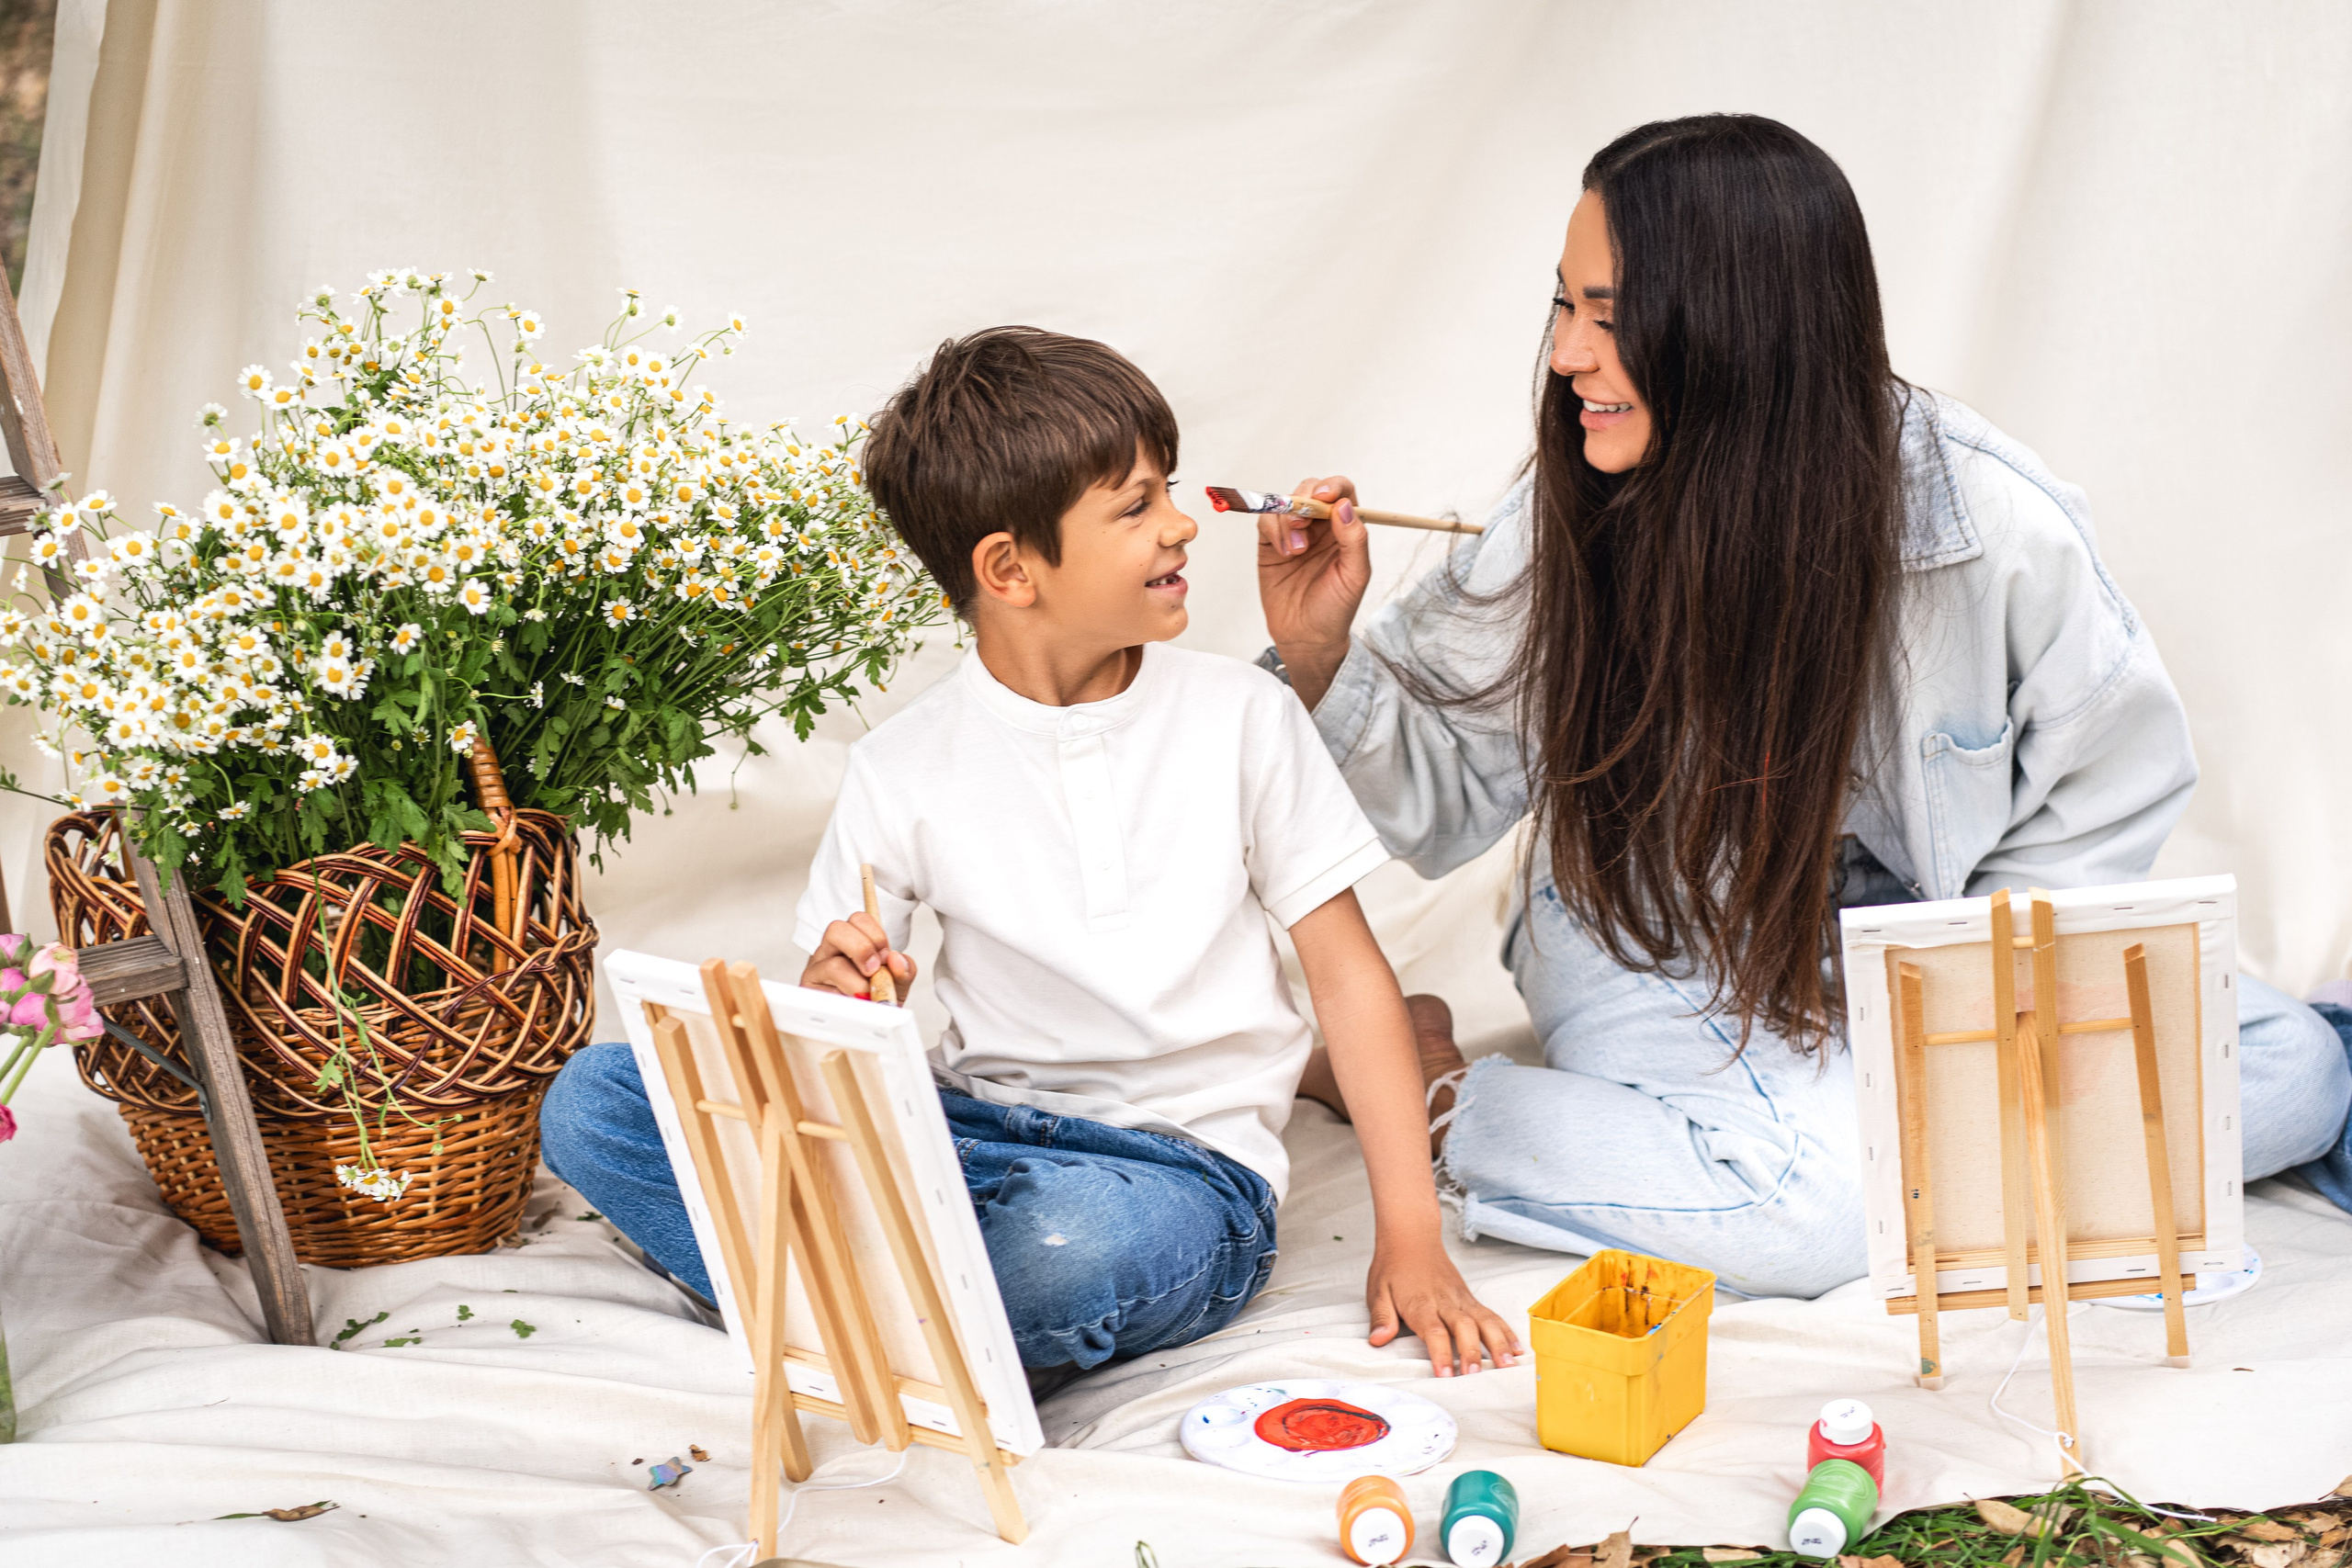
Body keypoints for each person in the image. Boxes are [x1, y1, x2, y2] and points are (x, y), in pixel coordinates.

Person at [1261, 114, 2351, 1300]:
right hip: (1646, 908)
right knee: (1809, 1213)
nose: (1569, 354)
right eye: (1563, 306)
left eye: (1610, 316)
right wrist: (1319, 652)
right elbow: (1447, 790)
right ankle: (1441, 1087)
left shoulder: (1993, 528)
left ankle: (1885, 1143)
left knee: (2294, 1068)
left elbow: (2108, 789)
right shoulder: (1562, 512)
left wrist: (1984, 1005)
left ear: (1737, 328)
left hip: (1931, 938)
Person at [543, 327, 1519, 1379]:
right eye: (1136, 505)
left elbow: (1349, 977)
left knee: (1075, 1254)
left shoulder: (1244, 715)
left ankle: (806, 1286)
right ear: (1009, 569)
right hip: (958, 1134)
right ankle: (885, 1299)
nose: (1182, 525)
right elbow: (830, 1034)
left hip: (1178, 1181)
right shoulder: (900, 766)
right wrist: (835, 1000)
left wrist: (1412, 1241)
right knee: (592, 1099)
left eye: (1168, 489)